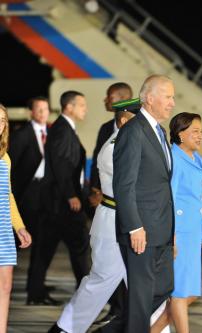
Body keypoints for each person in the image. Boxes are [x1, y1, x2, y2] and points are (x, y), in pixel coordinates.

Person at [47, 99, 140, 333]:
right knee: (100, 282)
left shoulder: (127, 143)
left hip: (127, 222)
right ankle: (65, 328)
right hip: (115, 223)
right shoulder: (117, 147)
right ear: (125, 118)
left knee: (144, 287)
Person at [113, 75, 175, 333]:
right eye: (168, 96)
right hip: (142, 231)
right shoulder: (133, 131)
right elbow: (124, 185)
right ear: (150, 98)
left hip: (161, 230)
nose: (173, 103)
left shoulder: (159, 131)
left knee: (164, 288)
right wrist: (134, 226)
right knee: (140, 299)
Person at [151, 112, 202, 333]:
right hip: (179, 235)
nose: (200, 136)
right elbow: (168, 200)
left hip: (192, 236)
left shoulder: (199, 161)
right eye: (195, 132)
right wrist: (170, 236)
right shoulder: (174, 160)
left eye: (201, 131)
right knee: (181, 294)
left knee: (189, 293)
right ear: (180, 135)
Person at [29, 91, 91, 305]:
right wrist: (72, 195)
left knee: (46, 249)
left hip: (56, 203)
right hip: (63, 203)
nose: (86, 109)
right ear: (69, 107)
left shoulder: (63, 129)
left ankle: (35, 293)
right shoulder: (63, 130)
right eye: (82, 105)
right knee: (81, 247)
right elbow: (62, 166)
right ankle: (85, 296)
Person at [87, 82, 132, 326]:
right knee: (106, 268)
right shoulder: (107, 128)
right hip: (107, 206)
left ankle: (124, 313)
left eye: (109, 97)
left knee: (120, 270)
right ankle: (116, 309)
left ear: (120, 98)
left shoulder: (138, 129)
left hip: (125, 211)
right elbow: (97, 159)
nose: (105, 100)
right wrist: (95, 191)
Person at [9, 97, 56, 305]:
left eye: (46, 109)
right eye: (39, 109)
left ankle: (35, 291)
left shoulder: (53, 133)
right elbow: (12, 169)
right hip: (26, 196)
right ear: (31, 112)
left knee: (42, 243)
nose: (43, 113)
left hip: (46, 194)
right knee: (18, 242)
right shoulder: (21, 136)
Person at [0, 104, 32, 332]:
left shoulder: (5, 157)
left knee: (5, 286)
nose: (0, 124)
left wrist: (19, 227)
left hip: (3, 229)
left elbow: (8, 195)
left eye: (3, 120)